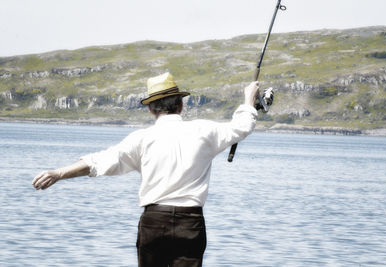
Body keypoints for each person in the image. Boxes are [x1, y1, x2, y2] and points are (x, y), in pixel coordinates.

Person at [32, 72, 259, 267]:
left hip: (154, 222)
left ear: (151, 109)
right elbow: (242, 126)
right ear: (181, 105)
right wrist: (249, 99)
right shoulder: (204, 130)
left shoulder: (141, 139)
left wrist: (58, 173)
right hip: (190, 223)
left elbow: (99, 162)